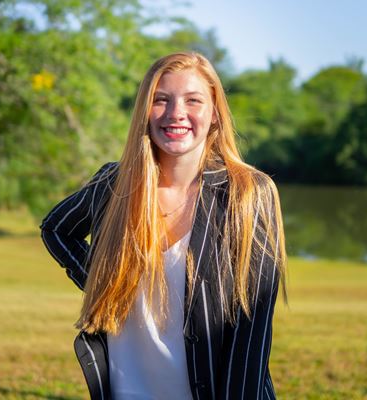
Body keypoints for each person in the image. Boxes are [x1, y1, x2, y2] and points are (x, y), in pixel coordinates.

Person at [40, 52, 287, 400]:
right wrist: (104, 285)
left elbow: (252, 328)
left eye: (193, 100)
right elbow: (56, 229)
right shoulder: (114, 184)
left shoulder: (246, 193)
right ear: (144, 110)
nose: (175, 113)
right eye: (160, 100)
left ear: (215, 113)